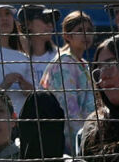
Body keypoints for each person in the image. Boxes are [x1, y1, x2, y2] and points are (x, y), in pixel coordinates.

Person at [38, 10, 100, 151]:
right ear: (67, 36)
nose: (86, 34)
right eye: (80, 30)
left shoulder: (82, 62)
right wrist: (85, 142)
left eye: (89, 30)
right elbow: (69, 110)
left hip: (87, 135)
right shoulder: (64, 62)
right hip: (71, 142)